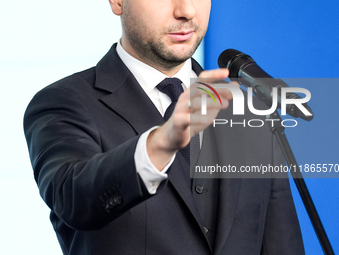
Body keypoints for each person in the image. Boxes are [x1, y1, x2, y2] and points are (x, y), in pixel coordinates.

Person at [24, 0, 305, 254]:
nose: (186, 11)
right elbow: (72, 197)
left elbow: (282, 243)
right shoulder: (64, 102)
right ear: (118, 2)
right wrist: (162, 142)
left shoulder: (245, 109)